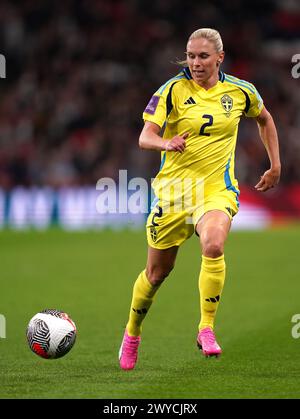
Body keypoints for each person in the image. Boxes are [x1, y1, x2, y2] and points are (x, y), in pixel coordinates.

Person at [118, 28, 281, 370]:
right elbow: (145, 136)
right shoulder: (172, 91)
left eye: (203, 56)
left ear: (219, 58)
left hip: (215, 189)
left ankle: (206, 327)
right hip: (174, 193)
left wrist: (276, 164)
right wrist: (167, 143)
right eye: (191, 56)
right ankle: (132, 332)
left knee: (214, 246)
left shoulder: (240, 91)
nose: (195, 62)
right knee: (157, 273)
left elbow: (265, 119)